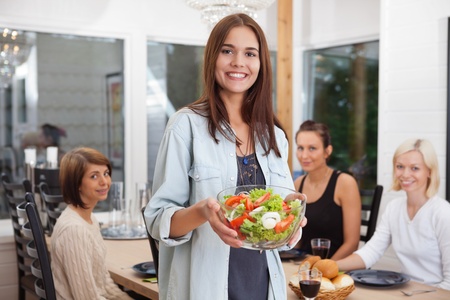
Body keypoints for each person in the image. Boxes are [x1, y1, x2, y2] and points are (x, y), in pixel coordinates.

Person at [144, 13, 305, 300]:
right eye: (227, 50)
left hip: (263, 287)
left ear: (261, 63)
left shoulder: (275, 136)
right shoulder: (185, 126)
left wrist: (291, 222)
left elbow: (277, 230)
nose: (238, 62)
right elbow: (158, 221)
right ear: (212, 58)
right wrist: (203, 212)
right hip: (203, 287)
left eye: (250, 53)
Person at [337, 138, 450, 290]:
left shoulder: (442, 212)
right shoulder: (394, 208)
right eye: (400, 166)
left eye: (415, 168)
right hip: (405, 292)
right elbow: (371, 252)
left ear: (429, 171)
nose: (405, 174)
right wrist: (331, 266)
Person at [50, 147, 133, 299]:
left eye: (106, 174)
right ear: (77, 184)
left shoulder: (89, 219)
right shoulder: (74, 230)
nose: (104, 182)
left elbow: (102, 280)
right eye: (94, 176)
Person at [293, 120, 361, 260]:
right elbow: (296, 239)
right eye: (300, 148)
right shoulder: (298, 184)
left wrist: (325, 268)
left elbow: (352, 244)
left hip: (336, 269)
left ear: (327, 151)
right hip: (304, 267)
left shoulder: (345, 183)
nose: (304, 155)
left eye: (312, 148)